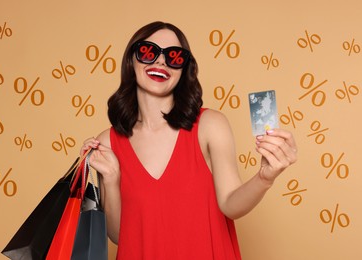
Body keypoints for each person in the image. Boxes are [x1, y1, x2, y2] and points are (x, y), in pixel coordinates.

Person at [80, 21, 297, 260]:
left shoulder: (210, 125)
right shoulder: (108, 143)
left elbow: (230, 204)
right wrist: (111, 179)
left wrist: (264, 178)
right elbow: (120, 236)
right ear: (132, 60)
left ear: (184, 70)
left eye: (174, 57)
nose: (161, 62)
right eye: (148, 51)